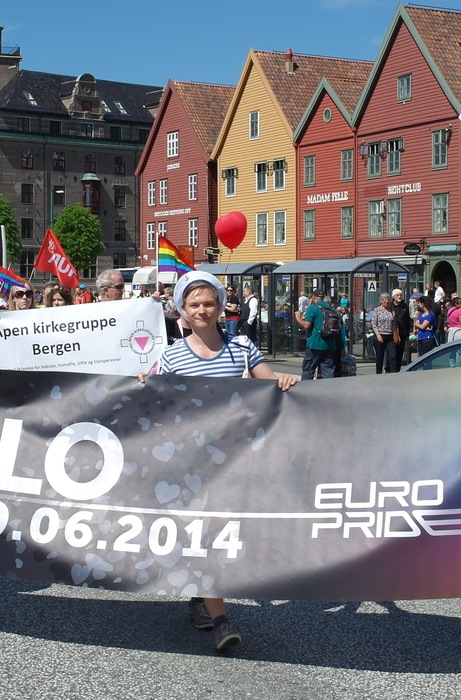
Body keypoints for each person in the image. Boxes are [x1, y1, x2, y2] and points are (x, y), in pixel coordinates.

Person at [140, 271, 296, 652]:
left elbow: (268, 385)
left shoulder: (241, 347)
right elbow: (157, 399)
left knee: (223, 532)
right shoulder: (172, 355)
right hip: (192, 463)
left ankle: (200, 595)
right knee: (204, 533)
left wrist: (283, 382)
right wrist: (142, 382)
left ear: (221, 306)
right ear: (182, 309)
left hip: (234, 459)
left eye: (209, 303)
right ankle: (221, 621)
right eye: (194, 304)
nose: (202, 310)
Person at [296, 289, 337, 379]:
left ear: (313, 297)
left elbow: (306, 325)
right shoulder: (331, 308)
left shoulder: (313, 308)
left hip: (314, 345)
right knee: (328, 373)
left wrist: (298, 318)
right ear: (324, 297)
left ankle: (306, 388)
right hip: (330, 345)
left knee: (308, 371)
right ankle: (329, 388)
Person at [370, 292, 399, 374]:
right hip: (380, 335)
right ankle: (379, 374)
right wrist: (378, 335)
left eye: (388, 300)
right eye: (385, 300)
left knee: (392, 355)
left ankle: (393, 373)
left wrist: (397, 334)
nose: (387, 301)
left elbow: (394, 323)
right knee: (380, 357)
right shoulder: (377, 310)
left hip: (390, 336)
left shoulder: (391, 310)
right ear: (381, 301)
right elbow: (374, 324)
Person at [390, 288, 412, 370]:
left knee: (400, 353)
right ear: (393, 296)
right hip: (392, 334)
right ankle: (390, 369)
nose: (399, 297)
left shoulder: (404, 306)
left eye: (400, 295)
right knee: (392, 353)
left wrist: (408, 332)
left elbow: (408, 320)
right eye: (397, 295)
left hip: (402, 333)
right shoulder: (390, 306)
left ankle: (397, 370)